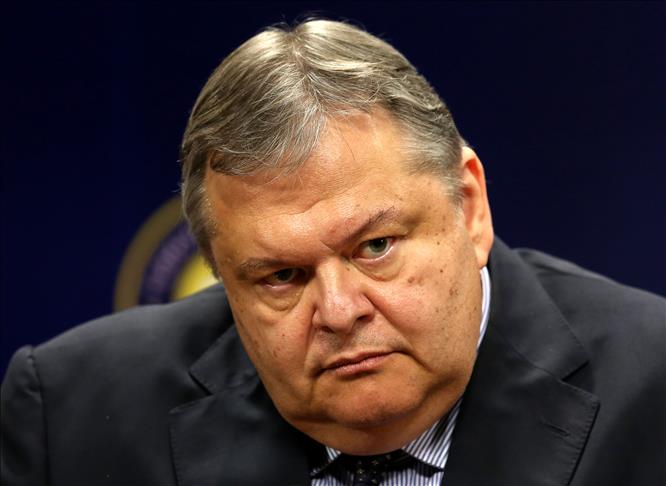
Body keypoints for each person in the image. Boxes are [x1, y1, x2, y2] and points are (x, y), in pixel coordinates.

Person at [2, 19, 664, 486]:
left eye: (375, 246)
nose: (341, 312)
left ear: (469, 207)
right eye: (282, 275)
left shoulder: (653, 391)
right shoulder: (69, 416)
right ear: (223, 276)